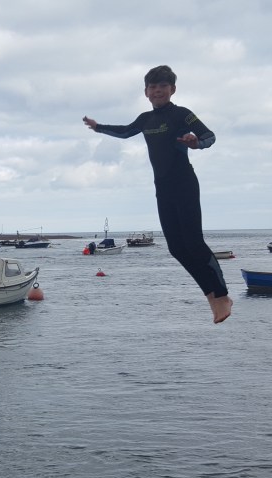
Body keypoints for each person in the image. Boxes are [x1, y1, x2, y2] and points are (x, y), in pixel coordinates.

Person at [83, 64, 232, 323]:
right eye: (153, 87)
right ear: (146, 92)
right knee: (176, 247)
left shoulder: (182, 115)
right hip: (162, 188)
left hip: (184, 183)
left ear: (172, 89)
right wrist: (98, 127)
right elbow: (125, 131)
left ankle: (221, 296)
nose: (158, 90)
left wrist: (196, 143)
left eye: (163, 86)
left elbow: (209, 136)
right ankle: (210, 295)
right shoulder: (145, 119)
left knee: (194, 243)